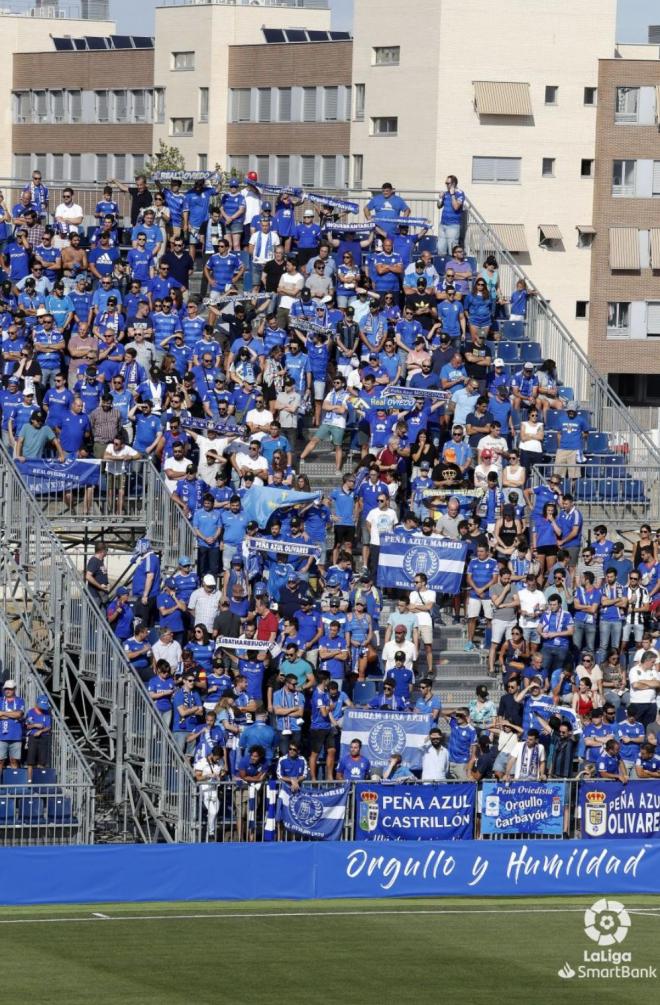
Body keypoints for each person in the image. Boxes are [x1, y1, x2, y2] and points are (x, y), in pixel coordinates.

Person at [24, 694, 52, 782]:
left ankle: (40, 780)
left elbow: (48, 727)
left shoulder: (47, 713)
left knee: (42, 760)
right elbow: (27, 726)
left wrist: (41, 731)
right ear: (37, 703)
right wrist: (35, 725)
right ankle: (29, 780)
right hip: (33, 737)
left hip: (44, 737)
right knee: (30, 760)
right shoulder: (30, 712)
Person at [0, 680, 25, 772]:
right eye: (6, 689)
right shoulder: (0, 700)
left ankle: (14, 784)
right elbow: (15, 714)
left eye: (10, 689)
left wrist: (2, 713)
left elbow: (19, 714)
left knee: (14, 761)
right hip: (1, 737)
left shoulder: (20, 700)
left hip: (15, 736)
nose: (7, 691)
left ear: (14, 689)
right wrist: (12, 714)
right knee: (0, 761)